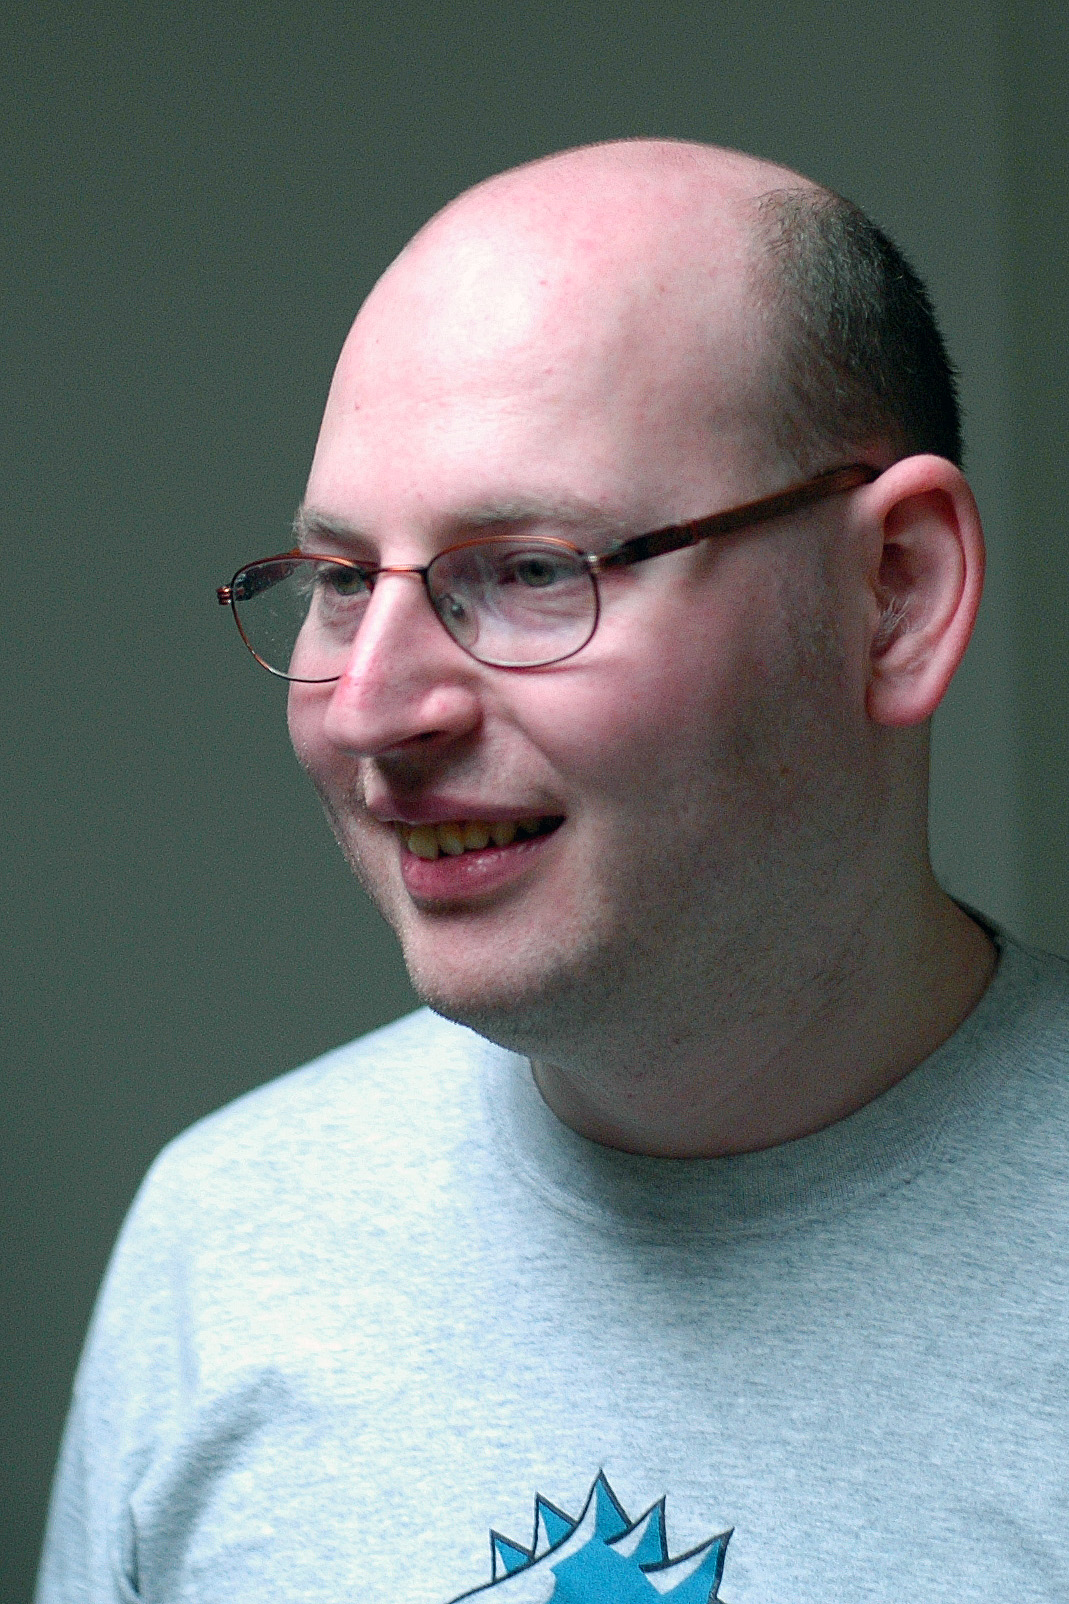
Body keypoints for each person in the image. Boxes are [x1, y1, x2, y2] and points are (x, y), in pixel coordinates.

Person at [37, 140, 1069, 1603]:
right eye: (342, 579)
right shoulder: (223, 1251)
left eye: (528, 567)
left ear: (891, 592)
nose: (378, 709)